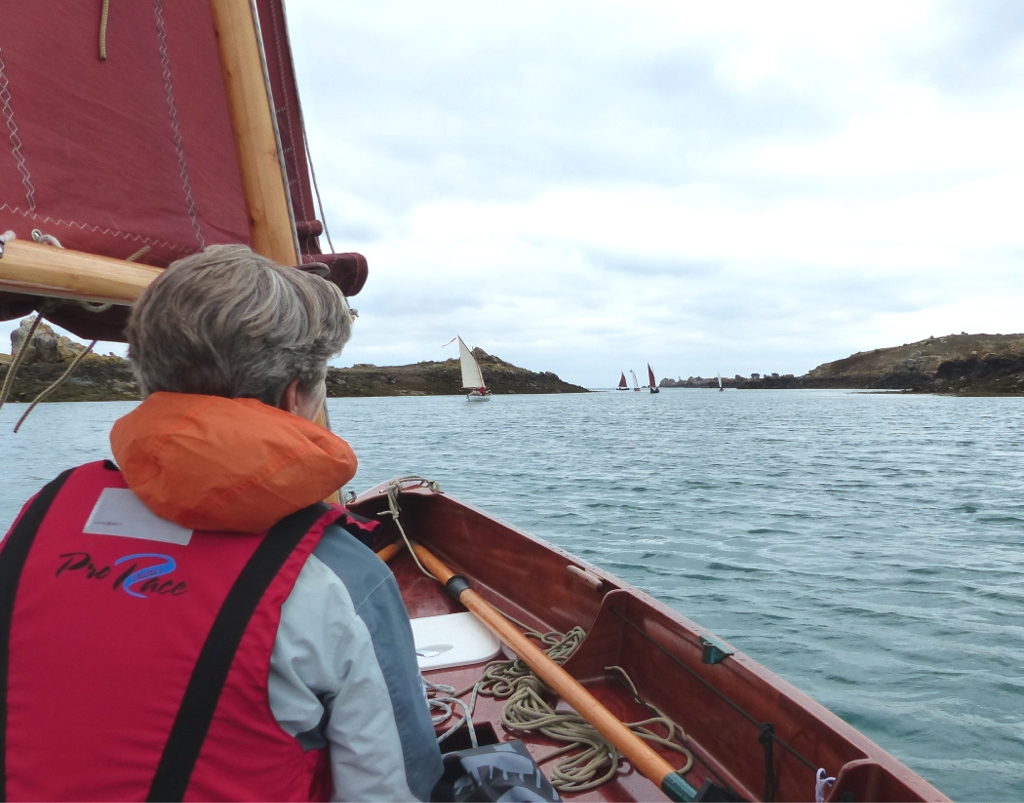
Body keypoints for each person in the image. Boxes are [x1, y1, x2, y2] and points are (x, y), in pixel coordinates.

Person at [0, 245, 443, 801]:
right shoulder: (337, 575)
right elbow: (392, 788)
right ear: (294, 396)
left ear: (149, 375)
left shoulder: (43, 514)